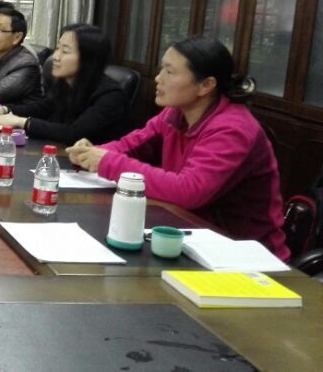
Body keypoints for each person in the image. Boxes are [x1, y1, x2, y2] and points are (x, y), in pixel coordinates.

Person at [66, 36, 288, 260]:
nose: (158, 78)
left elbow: (189, 190)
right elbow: (130, 146)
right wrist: (91, 154)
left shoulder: (233, 129)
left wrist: (106, 161)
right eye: (162, 68)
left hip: (242, 253)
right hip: (189, 236)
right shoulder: (176, 113)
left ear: (206, 85)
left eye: (170, 72)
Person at [0, 23, 128, 145]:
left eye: (65, 51)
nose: (55, 57)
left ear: (88, 59)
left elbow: (74, 133)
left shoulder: (110, 95)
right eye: (57, 49)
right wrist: (5, 110)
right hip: (63, 153)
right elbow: (41, 108)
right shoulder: (66, 83)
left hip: (92, 163)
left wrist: (22, 122)